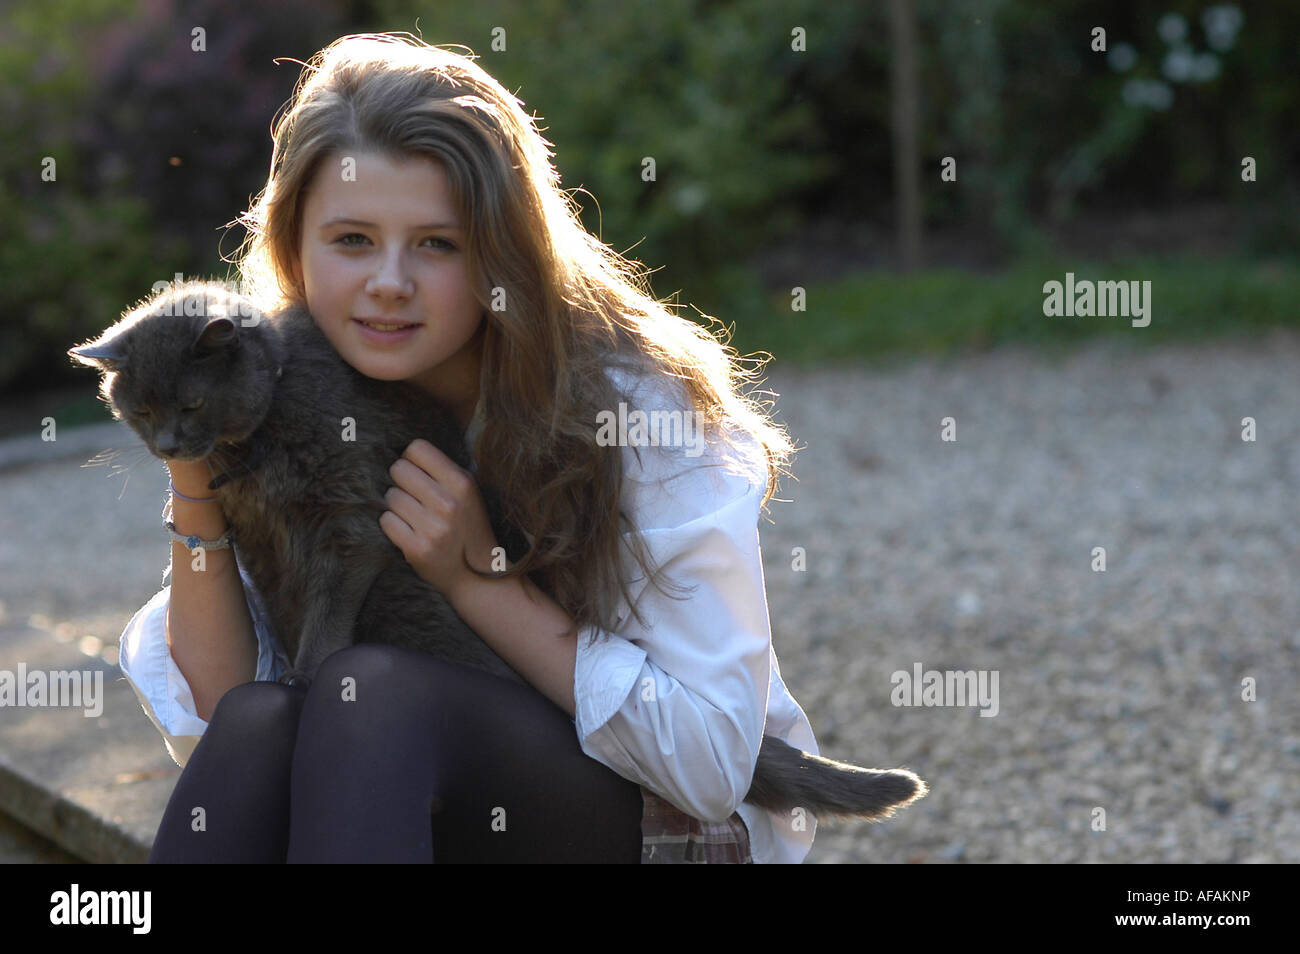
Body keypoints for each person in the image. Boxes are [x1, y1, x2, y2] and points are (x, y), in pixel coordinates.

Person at [118, 31, 818, 863]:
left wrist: (475, 580)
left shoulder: (636, 409)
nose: (389, 281)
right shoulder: (279, 386)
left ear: (501, 251)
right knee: (265, 719)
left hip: (647, 823)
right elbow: (219, 712)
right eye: (351, 241)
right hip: (390, 791)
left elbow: (709, 765)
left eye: (437, 244)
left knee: (363, 692)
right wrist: (195, 472)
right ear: (293, 248)